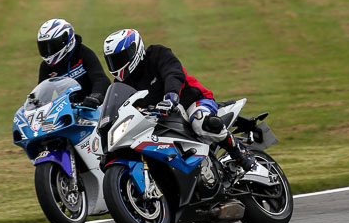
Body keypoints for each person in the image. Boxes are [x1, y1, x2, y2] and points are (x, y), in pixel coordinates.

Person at [102, 28, 257, 172]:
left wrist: (171, 95)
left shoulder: (157, 54)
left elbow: (173, 73)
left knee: (201, 122)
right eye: (112, 61)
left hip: (192, 101)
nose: (116, 65)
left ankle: (239, 151)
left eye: (119, 58)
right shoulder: (121, 84)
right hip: (159, 119)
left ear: (134, 50)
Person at [37, 18, 110, 108]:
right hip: (65, 112)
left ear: (66, 40)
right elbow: (42, 94)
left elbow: (100, 79)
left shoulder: (84, 53)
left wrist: (95, 97)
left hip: (92, 109)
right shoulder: (45, 66)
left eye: (52, 46)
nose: (48, 52)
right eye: (44, 47)